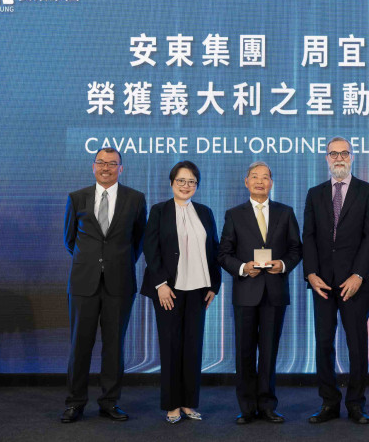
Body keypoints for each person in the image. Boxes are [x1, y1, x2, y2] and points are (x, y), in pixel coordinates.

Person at [61, 147, 147, 423]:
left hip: (120, 283)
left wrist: (115, 262)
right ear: (93, 166)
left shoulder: (135, 199)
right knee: (79, 345)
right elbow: (70, 240)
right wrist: (92, 263)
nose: (106, 167)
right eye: (101, 163)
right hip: (83, 283)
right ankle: (75, 403)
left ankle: (109, 402)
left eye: (112, 163)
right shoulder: (76, 198)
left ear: (121, 169)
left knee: (114, 346)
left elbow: (138, 241)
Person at [302, 137, 369, 425]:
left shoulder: (368, 192)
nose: (338, 158)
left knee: (356, 344)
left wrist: (358, 274)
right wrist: (310, 274)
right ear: (326, 158)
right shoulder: (314, 193)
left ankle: (357, 404)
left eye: (343, 153)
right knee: (323, 343)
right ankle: (329, 403)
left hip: (355, 283)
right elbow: (307, 236)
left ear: (352, 157)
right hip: (321, 283)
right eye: (333, 153)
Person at [218, 162, 302, 424]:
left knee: (268, 352)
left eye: (265, 177)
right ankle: (246, 407)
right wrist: (243, 268)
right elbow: (223, 254)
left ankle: (267, 405)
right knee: (244, 352)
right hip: (246, 291)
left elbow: (296, 249)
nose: (260, 181)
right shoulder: (234, 214)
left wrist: (283, 265)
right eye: (255, 177)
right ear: (246, 182)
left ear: (271, 183)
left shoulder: (285, 213)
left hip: (274, 292)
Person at [140, 161, 221, 423]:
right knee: (171, 346)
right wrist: (160, 284)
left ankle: (188, 403)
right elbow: (150, 250)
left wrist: (214, 286)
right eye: (181, 181)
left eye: (191, 182)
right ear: (171, 182)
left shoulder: (205, 212)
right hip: (169, 291)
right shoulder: (159, 211)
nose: (186, 186)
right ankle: (172, 405)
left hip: (199, 290)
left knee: (193, 347)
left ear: (197, 185)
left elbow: (214, 249)